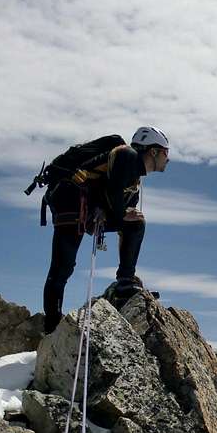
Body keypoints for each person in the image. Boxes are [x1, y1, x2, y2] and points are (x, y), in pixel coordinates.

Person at [42, 126, 170, 333]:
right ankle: (52, 322)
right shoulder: (126, 155)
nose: (167, 158)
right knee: (62, 266)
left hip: (88, 209)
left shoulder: (135, 177)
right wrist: (120, 216)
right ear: (153, 151)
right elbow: (113, 191)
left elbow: (117, 197)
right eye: (166, 152)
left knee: (135, 223)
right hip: (72, 204)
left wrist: (121, 215)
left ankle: (125, 280)